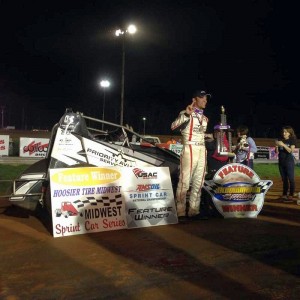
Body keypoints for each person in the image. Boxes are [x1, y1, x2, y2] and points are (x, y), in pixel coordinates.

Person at [171, 90, 212, 221]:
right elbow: (173, 127)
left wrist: (208, 137)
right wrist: (186, 115)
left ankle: (194, 210)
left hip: (202, 149)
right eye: (202, 98)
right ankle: (181, 211)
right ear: (195, 100)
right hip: (189, 148)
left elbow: (199, 132)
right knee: (185, 181)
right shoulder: (186, 113)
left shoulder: (205, 119)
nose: (205, 101)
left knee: (199, 182)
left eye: (206, 99)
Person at [275, 126, 297, 202]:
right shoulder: (280, 139)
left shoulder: (292, 140)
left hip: (289, 162)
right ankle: (284, 195)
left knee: (291, 179)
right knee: (284, 179)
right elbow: (277, 152)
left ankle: (291, 195)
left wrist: (283, 145)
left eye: (286, 132)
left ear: (289, 133)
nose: (284, 133)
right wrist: (276, 147)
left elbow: (291, 151)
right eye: (283, 132)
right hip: (281, 161)